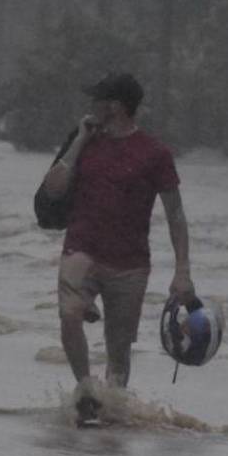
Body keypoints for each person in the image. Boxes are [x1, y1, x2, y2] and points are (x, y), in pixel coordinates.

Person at [38, 72, 196, 424]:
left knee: (119, 350)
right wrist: (79, 141)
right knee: (69, 314)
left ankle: (108, 415)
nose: (91, 105)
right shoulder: (85, 142)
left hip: (130, 264)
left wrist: (182, 269)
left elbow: (176, 214)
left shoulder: (155, 154)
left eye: (98, 99)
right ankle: (85, 390)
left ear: (116, 106)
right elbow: (52, 189)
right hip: (82, 249)